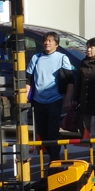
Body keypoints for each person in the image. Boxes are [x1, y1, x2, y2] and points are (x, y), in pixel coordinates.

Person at [26, 31, 72, 160]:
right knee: (43, 133)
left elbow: (70, 81)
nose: (47, 43)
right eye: (45, 40)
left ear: (56, 44)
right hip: (38, 100)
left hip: (55, 100)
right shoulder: (36, 58)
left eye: (50, 40)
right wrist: (26, 96)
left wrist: (67, 100)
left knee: (53, 131)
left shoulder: (62, 58)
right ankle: (53, 157)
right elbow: (28, 79)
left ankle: (55, 160)